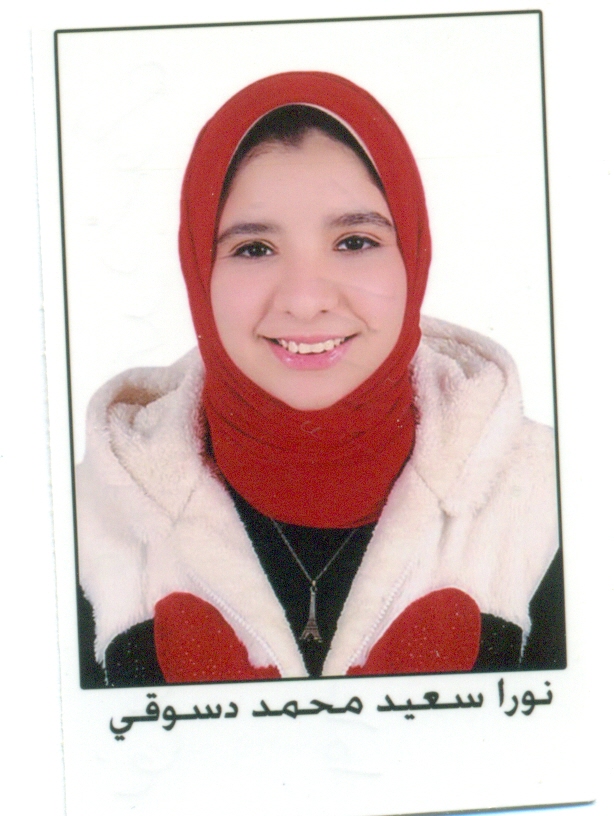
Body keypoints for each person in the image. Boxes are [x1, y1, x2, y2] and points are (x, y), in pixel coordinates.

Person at [76, 71, 564, 688]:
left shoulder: (549, 502)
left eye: (354, 241)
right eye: (254, 249)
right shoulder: (86, 522)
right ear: (199, 270)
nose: (305, 302)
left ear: (413, 256)